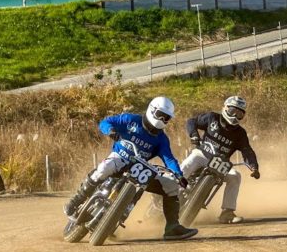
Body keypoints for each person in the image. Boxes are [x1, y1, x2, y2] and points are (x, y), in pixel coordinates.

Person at [63, 96, 198, 241]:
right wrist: (110, 130)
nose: (163, 120)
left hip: (141, 167)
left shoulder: (162, 139)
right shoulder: (130, 120)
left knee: (171, 186)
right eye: (161, 115)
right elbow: (105, 122)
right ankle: (76, 200)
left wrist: (179, 175)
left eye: (167, 118)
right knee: (103, 169)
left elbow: (169, 158)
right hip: (120, 158)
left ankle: (172, 227)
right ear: (152, 110)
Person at [181, 96, 260, 224]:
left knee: (235, 176)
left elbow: (247, 150)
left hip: (221, 164)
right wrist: (194, 135)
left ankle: (227, 213)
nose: (235, 116)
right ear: (225, 108)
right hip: (202, 155)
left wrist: (254, 167)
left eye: (239, 114)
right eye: (232, 111)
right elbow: (192, 121)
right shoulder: (212, 117)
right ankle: (171, 187)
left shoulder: (240, 133)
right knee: (189, 162)